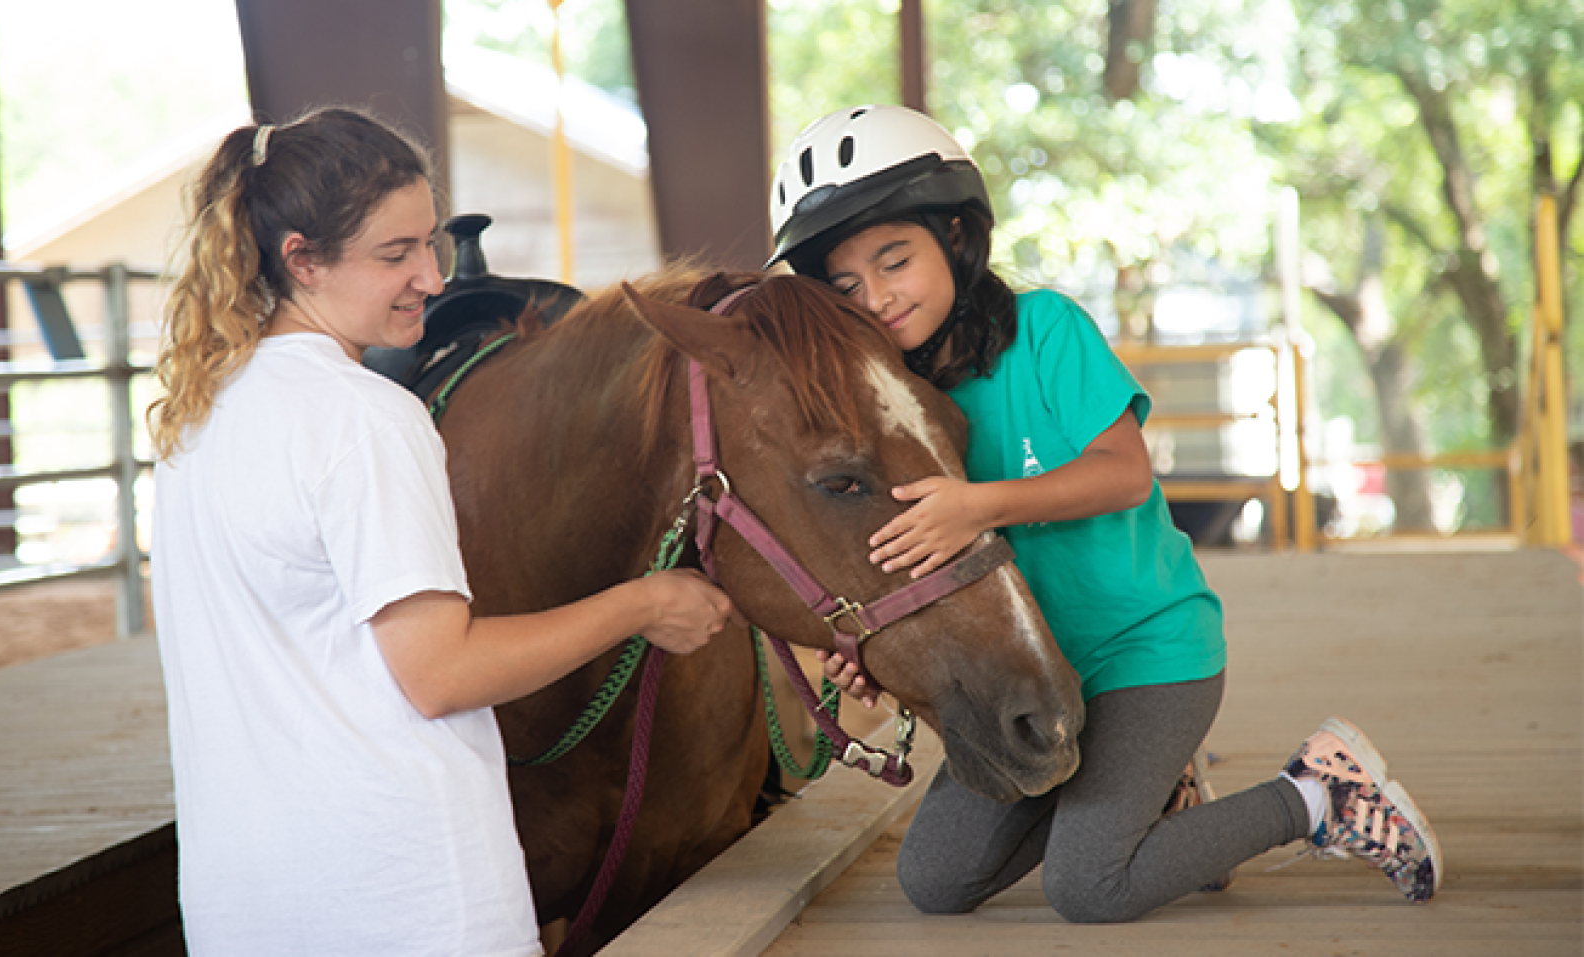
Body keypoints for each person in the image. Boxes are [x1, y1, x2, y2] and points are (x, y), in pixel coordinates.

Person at [766, 104, 1440, 921]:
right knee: (935, 880)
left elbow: (1124, 473)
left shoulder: (1045, 329)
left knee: (1088, 884)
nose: (875, 296)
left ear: (953, 235)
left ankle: (1316, 794)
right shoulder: (889, 408)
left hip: (1144, 653)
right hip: (1029, 679)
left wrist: (978, 504)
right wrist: (880, 660)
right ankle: (1154, 796)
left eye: (894, 259)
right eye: (845, 284)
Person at [148, 107, 732, 956]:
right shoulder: (367, 417)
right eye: (395, 254)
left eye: (431, 242)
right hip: (407, 900)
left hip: (244, 905)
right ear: (301, 258)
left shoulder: (197, 415)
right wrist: (641, 603)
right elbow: (440, 671)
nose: (430, 275)